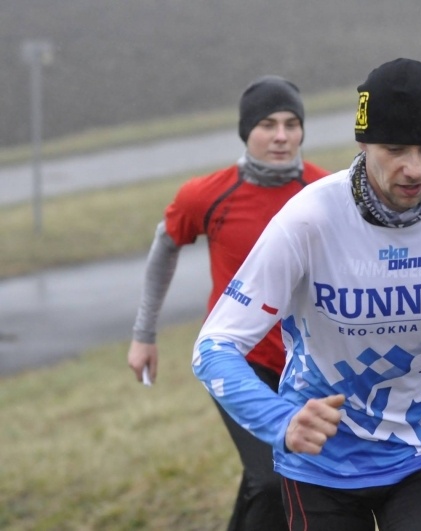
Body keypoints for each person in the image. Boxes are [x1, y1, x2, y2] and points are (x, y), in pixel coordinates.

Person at [192, 58, 421, 531]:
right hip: (320, 464)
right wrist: (281, 421)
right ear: (363, 141)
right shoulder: (308, 220)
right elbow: (214, 348)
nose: (415, 169)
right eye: (394, 149)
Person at [127, 75, 328, 531]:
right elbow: (165, 247)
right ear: (246, 132)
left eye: (292, 124)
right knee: (275, 474)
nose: (281, 136)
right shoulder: (207, 194)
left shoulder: (324, 192)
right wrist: (144, 335)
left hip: (307, 364)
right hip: (239, 361)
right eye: (268, 124)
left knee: (283, 476)